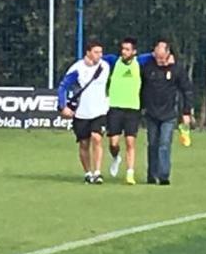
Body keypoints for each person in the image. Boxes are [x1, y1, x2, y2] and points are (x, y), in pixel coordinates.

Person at [140, 38, 193, 185]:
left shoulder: (176, 69)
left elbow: (186, 90)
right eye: (157, 56)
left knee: (164, 144)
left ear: (168, 54)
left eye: (162, 57)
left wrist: (186, 112)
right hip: (151, 113)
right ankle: (152, 175)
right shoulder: (147, 68)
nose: (160, 60)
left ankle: (163, 176)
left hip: (169, 114)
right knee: (152, 144)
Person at [102, 37, 154, 185]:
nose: (124, 52)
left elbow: (155, 54)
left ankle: (130, 173)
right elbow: (97, 57)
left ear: (134, 52)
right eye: (123, 49)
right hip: (115, 107)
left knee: (130, 141)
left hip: (132, 108)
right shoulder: (114, 61)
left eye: (127, 49)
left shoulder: (139, 62)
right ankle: (115, 157)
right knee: (113, 142)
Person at [57, 40, 110, 184]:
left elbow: (130, 59)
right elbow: (63, 87)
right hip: (81, 112)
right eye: (96, 52)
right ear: (88, 53)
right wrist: (63, 107)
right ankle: (88, 173)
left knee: (97, 138)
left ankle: (98, 172)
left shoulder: (105, 65)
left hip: (100, 110)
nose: (99, 55)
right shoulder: (77, 68)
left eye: (101, 52)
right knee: (84, 143)